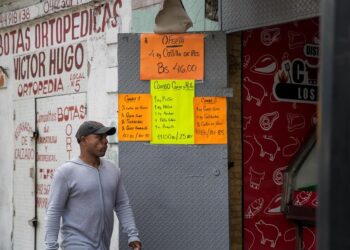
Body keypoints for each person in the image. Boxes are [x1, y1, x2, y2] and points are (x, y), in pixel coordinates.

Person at [45, 121, 141, 250]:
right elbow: (54, 211)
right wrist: (51, 247)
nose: (105, 141)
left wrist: (133, 235)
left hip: (103, 246)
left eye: (106, 137)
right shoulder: (66, 172)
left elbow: (122, 204)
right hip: (76, 245)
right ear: (83, 140)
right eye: (99, 137)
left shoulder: (113, 169)